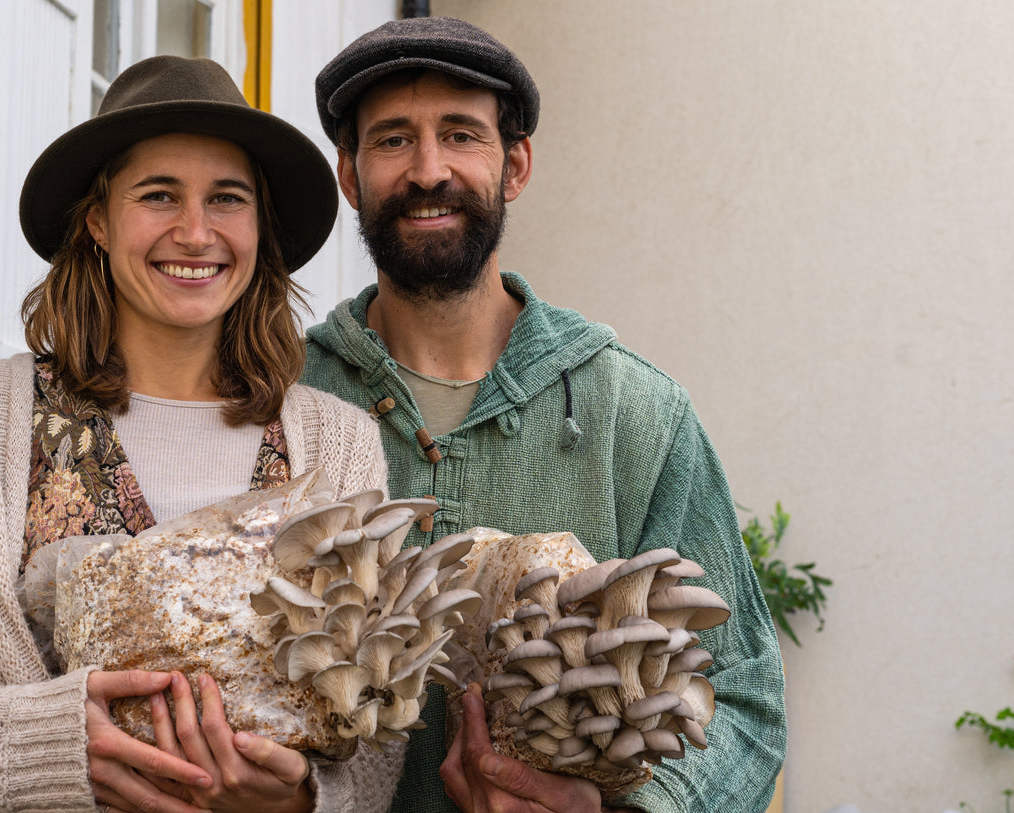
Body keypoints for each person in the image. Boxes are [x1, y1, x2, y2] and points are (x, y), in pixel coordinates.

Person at [0, 56, 400, 813]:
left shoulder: (337, 444)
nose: (195, 231)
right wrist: (46, 746)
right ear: (98, 219)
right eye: (158, 195)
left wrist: (304, 798)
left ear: (259, 225)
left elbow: (379, 726)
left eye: (227, 198)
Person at [300, 17, 787, 813]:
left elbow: (743, 700)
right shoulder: (278, 396)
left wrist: (624, 808)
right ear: (350, 175)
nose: (428, 170)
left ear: (514, 164)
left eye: (460, 134)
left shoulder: (633, 412)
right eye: (391, 141)